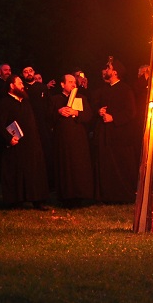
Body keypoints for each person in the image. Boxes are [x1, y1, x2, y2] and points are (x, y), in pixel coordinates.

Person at [0, 75, 51, 209]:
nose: (22, 85)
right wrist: (9, 138)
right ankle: (16, 201)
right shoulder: (4, 103)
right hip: (16, 145)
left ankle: (37, 200)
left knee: (35, 171)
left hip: (32, 144)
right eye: (19, 83)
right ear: (12, 86)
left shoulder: (25, 102)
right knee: (17, 172)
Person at [91, 58, 138, 204]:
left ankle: (122, 196)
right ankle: (106, 196)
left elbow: (131, 112)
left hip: (119, 137)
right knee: (105, 166)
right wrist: (99, 111)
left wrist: (114, 118)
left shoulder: (125, 89)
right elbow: (97, 105)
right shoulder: (104, 90)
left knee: (120, 167)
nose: (106, 70)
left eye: (108, 68)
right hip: (105, 136)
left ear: (115, 72)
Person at [50, 73, 95, 206]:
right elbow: (48, 117)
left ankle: (81, 195)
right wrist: (59, 112)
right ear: (62, 84)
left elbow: (89, 116)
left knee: (79, 166)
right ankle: (65, 196)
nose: (73, 84)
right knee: (65, 167)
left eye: (74, 82)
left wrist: (76, 113)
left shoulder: (81, 98)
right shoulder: (55, 99)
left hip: (79, 140)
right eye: (70, 82)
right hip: (62, 140)